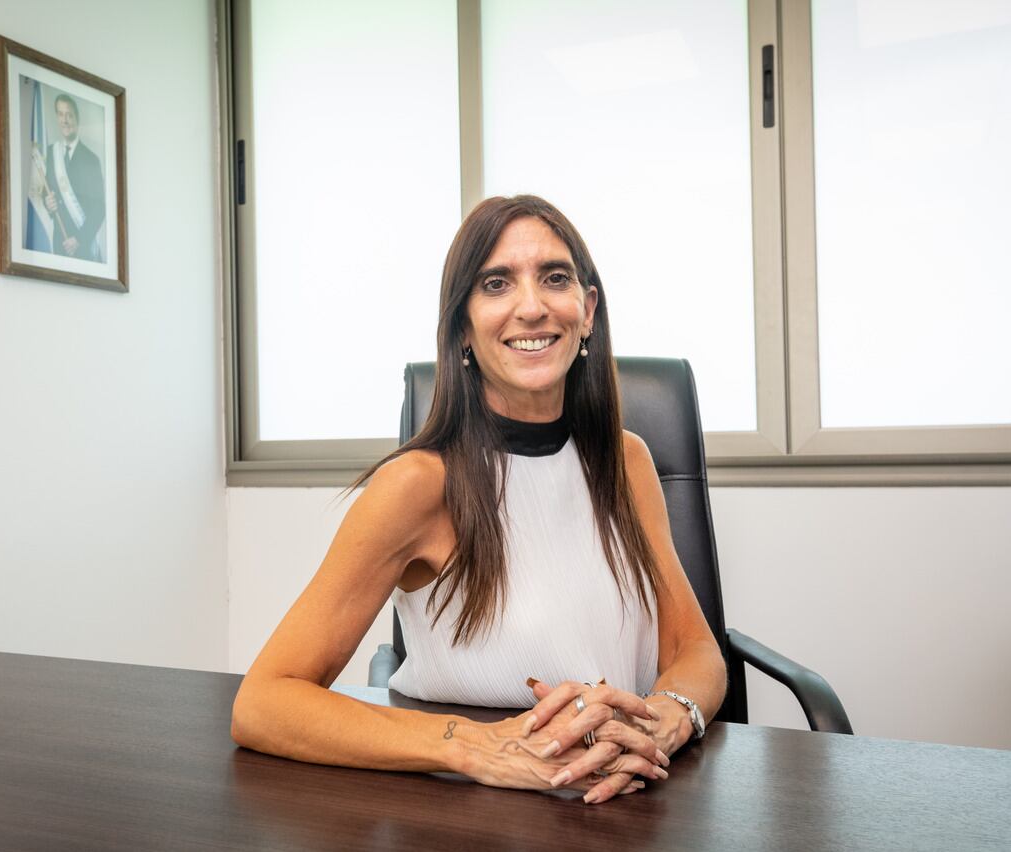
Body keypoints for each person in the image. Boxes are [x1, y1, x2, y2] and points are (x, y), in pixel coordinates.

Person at [232, 195, 726, 805]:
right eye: (497, 284)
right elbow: (263, 702)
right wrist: (471, 746)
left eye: (555, 278)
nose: (532, 306)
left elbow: (696, 650)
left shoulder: (627, 461)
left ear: (588, 310)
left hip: (624, 797)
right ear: (463, 326)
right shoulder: (417, 485)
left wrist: (665, 718)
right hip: (471, 807)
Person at [43, 93, 105, 262]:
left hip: (83, 246)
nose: (65, 120)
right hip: (59, 242)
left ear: (77, 118)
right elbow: (45, 190)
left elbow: (100, 207)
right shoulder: (50, 153)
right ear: (57, 117)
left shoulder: (91, 160)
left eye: (69, 115)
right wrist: (47, 203)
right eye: (61, 114)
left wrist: (79, 239)